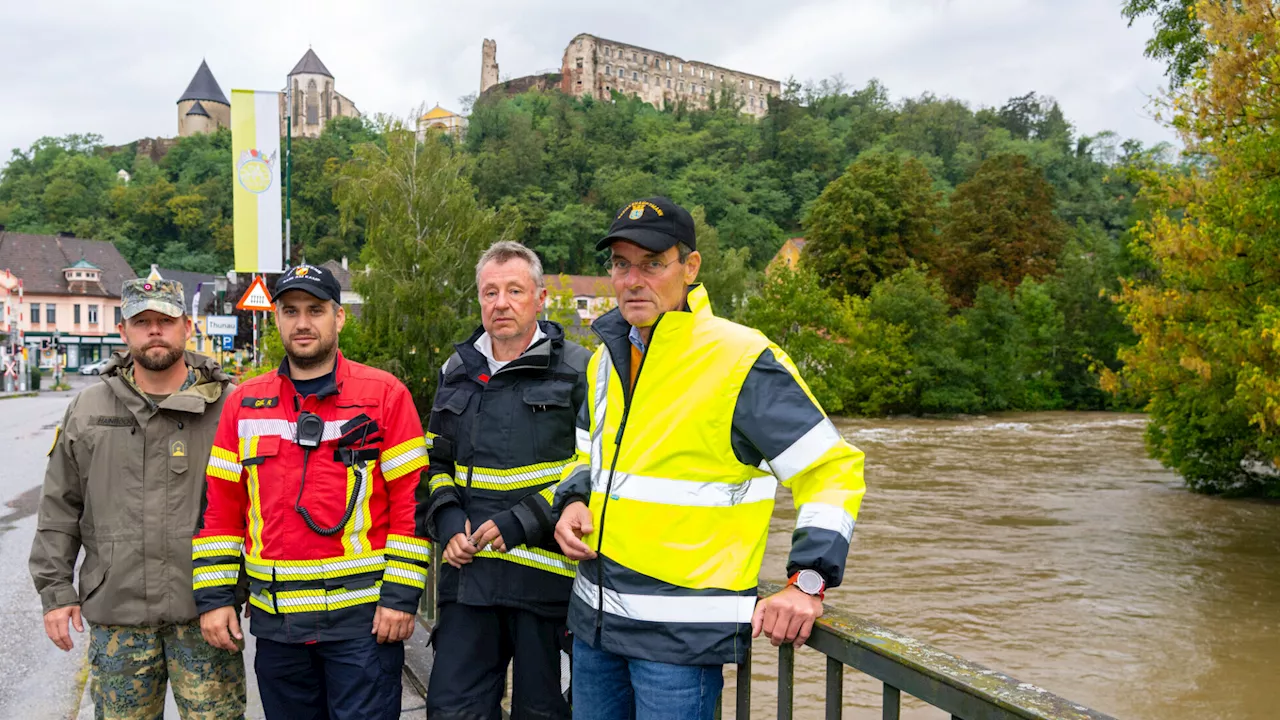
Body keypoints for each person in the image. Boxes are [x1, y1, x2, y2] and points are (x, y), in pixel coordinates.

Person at [552, 197, 867, 720]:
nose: (633, 280)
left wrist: (807, 581)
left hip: (679, 646)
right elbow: (586, 455)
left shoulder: (739, 359)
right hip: (594, 625)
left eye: (653, 264)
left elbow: (831, 469)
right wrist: (572, 502)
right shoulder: (605, 359)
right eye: (621, 264)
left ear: (690, 267)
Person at [194, 264, 431, 720]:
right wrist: (216, 599)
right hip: (278, 629)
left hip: (363, 628)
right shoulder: (243, 404)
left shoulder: (384, 396)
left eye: (315, 310)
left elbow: (411, 506)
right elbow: (221, 513)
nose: (303, 322)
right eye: (290, 311)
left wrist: (401, 599)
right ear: (277, 318)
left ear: (338, 318)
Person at [29, 277, 246, 719]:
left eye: (165, 320)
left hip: (206, 615)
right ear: (124, 330)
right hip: (119, 619)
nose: (154, 331)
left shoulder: (228, 407)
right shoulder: (89, 409)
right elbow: (59, 507)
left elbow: (260, 508)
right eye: (142, 321)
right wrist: (55, 592)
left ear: (187, 326)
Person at [420, 241, 589, 720]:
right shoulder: (456, 371)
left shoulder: (580, 370)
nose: (501, 303)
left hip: (547, 587)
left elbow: (593, 466)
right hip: (469, 583)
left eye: (514, 290)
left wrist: (524, 520)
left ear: (539, 298)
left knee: (543, 714)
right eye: (489, 292)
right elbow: (435, 464)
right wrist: (449, 520)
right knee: (452, 710)